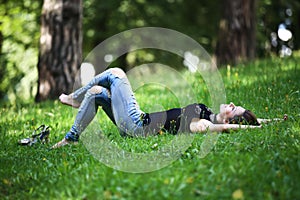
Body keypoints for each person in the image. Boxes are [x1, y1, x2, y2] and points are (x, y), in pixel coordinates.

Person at [51, 67, 280, 149]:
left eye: (234, 109)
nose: (231, 104)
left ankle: (74, 98)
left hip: (137, 125)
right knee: (98, 93)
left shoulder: (205, 123)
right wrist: (270, 121)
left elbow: (231, 129)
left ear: (228, 121)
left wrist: (254, 130)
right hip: (136, 121)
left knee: (116, 73)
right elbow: (250, 122)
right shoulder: (207, 111)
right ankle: (71, 138)